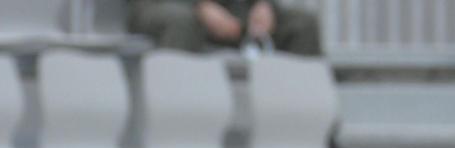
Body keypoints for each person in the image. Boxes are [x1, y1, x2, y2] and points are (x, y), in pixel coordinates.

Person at [127, 0, 323, 56]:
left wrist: (264, 5)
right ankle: (171, 127)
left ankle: (317, 130)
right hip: (164, 6)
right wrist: (199, 5)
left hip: (235, 9)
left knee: (303, 25)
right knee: (182, 23)